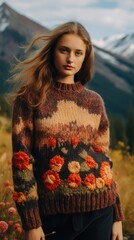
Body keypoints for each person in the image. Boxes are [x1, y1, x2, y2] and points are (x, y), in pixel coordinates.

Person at [11, 21, 124, 240]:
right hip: (53, 217)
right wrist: (31, 222)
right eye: (64, 50)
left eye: (78, 53)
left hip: (101, 211)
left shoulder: (94, 102)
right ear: (53, 51)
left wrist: (117, 215)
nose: (71, 59)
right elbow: (21, 161)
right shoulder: (30, 98)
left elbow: (104, 159)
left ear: (85, 57)